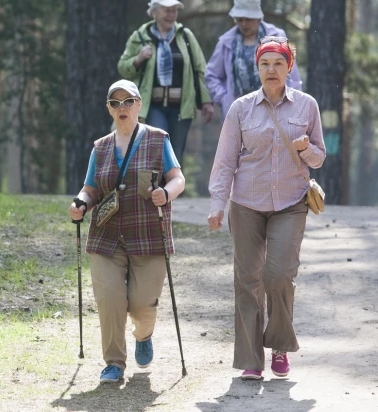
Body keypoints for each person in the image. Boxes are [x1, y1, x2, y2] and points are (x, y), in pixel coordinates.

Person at [207, 36, 325, 380]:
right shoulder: (241, 108)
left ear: (289, 67)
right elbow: (225, 162)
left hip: (290, 203)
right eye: (265, 64)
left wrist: (305, 149)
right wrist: (217, 204)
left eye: (278, 63)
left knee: (278, 275)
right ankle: (250, 359)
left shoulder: (307, 106)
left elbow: (319, 158)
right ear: (257, 68)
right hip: (246, 205)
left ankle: (279, 346)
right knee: (247, 281)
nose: (271, 70)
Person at [68, 79, 185, 383]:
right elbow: (90, 188)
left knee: (144, 305)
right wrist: (81, 203)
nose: (123, 108)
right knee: (110, 300)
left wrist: (167, 193)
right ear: (109, 108)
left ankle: (143, 335)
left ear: (139, 104)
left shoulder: (159, 139)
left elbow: (177, 178)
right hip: (106, 236)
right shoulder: (100, 147)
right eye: (116, 103)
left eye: (128, 101)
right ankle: (114, 363)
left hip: (148, 234)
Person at [117, 0, 214, 164]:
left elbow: (200, 69)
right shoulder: (140, 36)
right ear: (154, 12)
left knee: (175, 155)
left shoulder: (185, 36)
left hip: (181, 107)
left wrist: (206, 101)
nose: (171, 15)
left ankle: (171, 190)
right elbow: (123, 68)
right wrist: (139, 58)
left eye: (174, 11)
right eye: (167, 10)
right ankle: (157, 189)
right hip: (153, 106)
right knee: (160, 149)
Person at [205, 0, 302, 120]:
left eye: (248, 19)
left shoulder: (277, 37)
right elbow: (212, 75)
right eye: (240, 20)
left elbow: (292, 74)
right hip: (239, 112)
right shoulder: (226, 42)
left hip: (275, 109)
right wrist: (223, 98)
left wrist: (293, 104)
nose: (244, 24)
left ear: (258, 18)